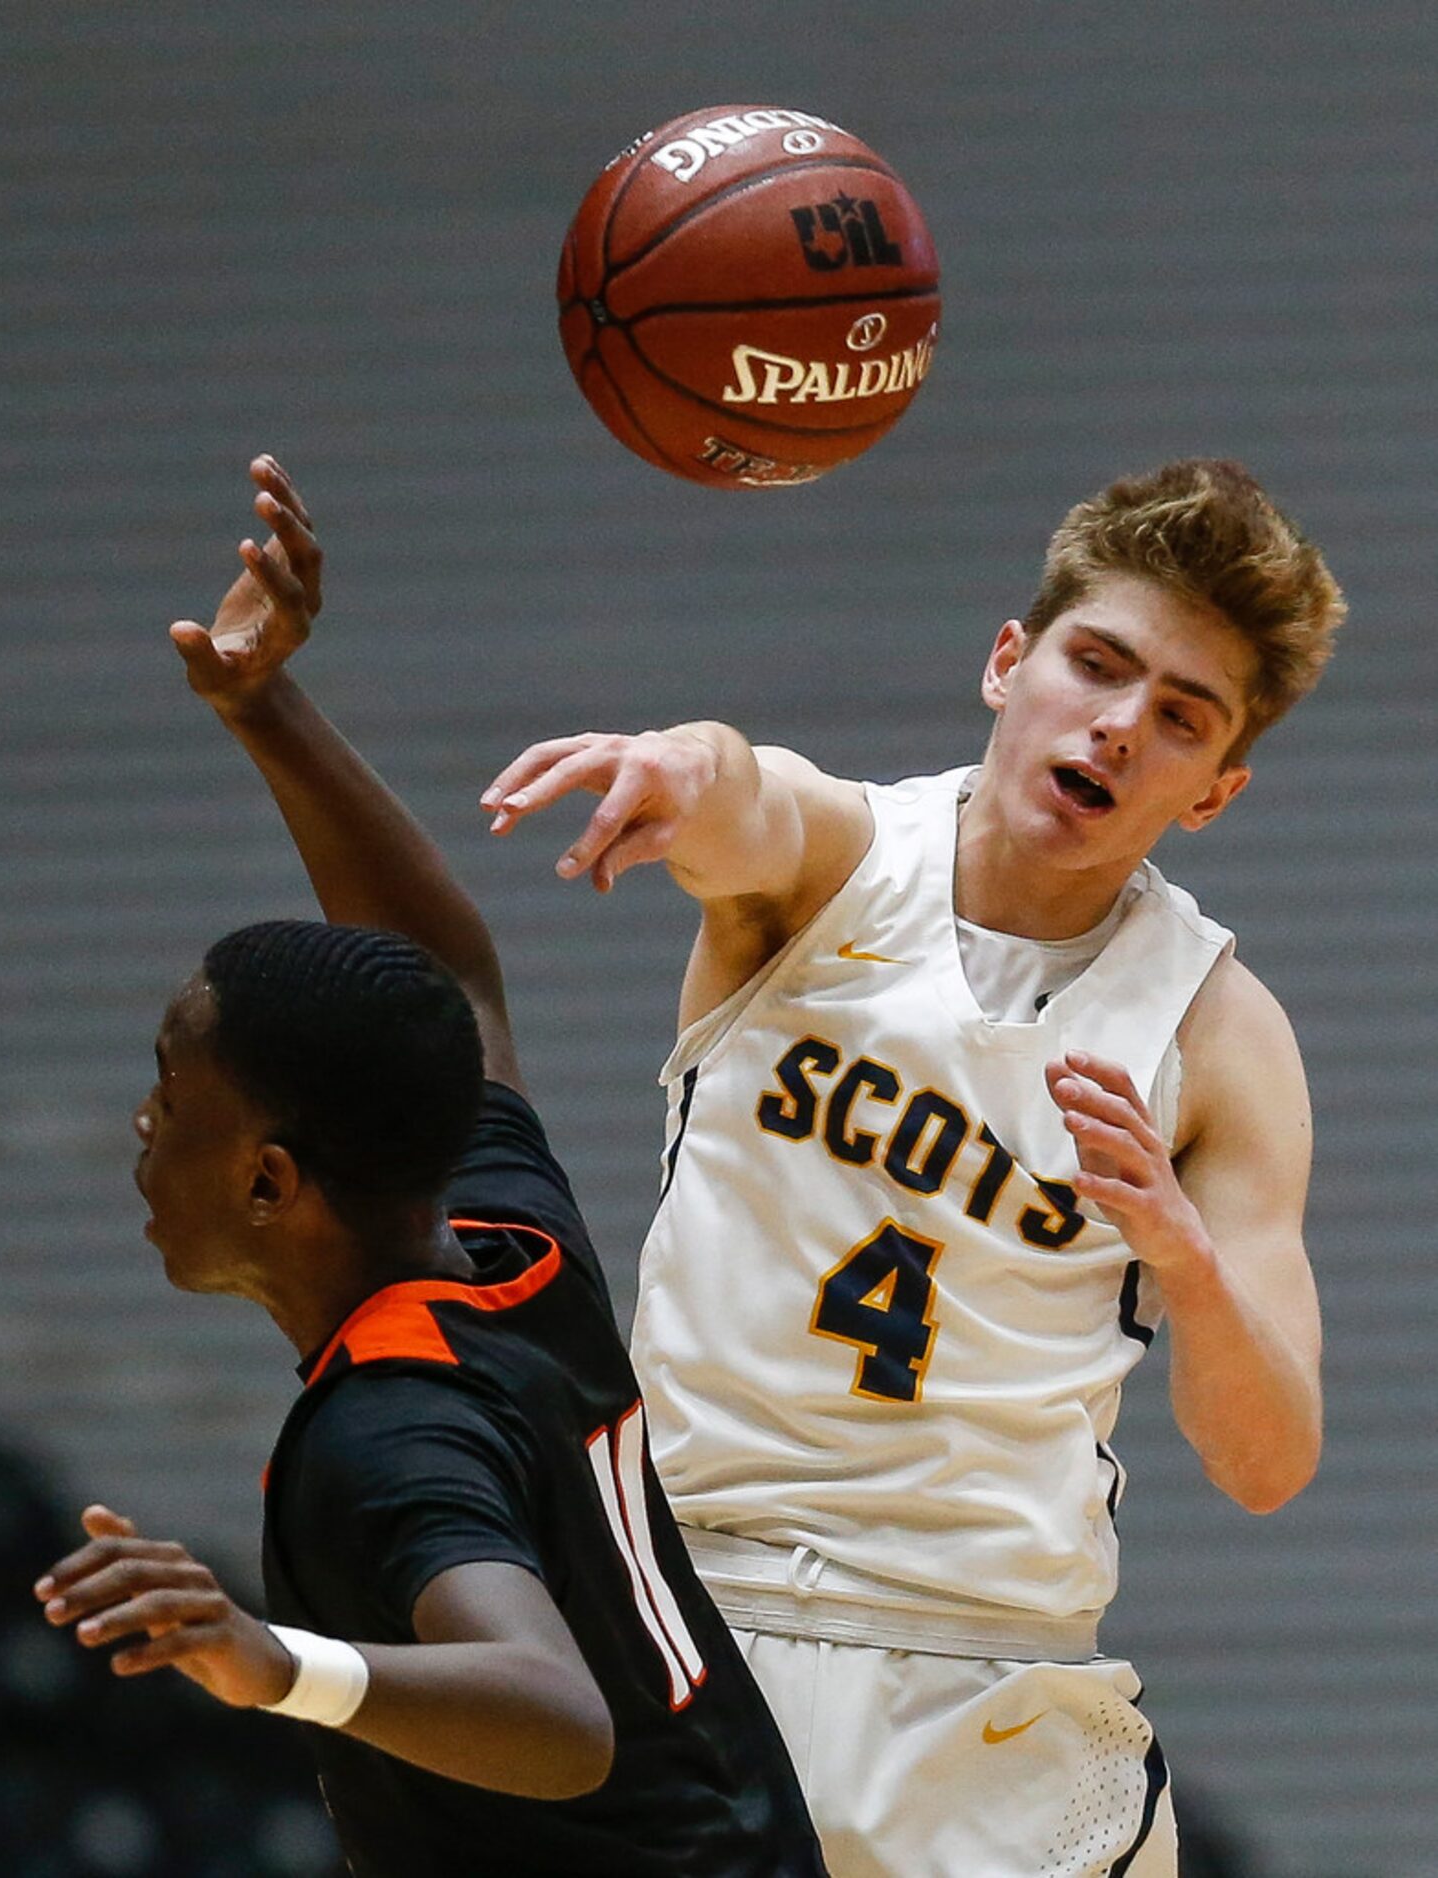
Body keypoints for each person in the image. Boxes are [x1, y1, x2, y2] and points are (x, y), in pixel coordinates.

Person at [482, 458, 1344, 1877]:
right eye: (1097, 665)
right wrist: (681, 765)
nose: (1120, 723)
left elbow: (1268, 1461)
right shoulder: (834, 862)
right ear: (1010, 662)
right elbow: (742, 789)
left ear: (1216, 790)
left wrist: (1182, 1254)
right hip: (692, 1606)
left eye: (1180, 716)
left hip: (988, 1685)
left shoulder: (1222, 1033)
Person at [33, 457, 827, 1878]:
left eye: (173, 1093)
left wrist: (275, 1663)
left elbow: (556, 1713)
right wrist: (260, 704)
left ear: (274, 1183)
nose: (144, 1126)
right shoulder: (502, 1236)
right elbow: (447, 972)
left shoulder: (387, 1435)